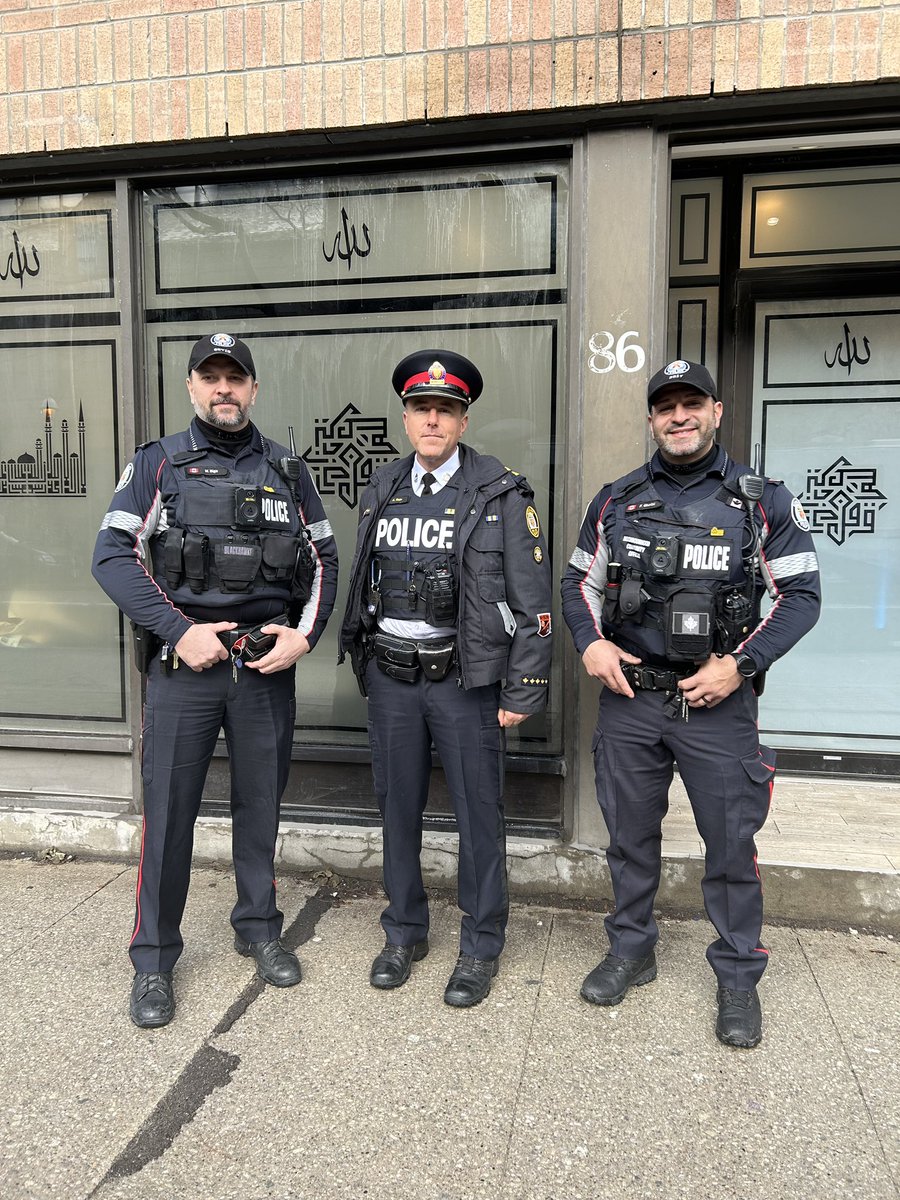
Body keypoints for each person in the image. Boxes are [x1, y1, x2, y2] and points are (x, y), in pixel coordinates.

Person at [561, 358, 821, 1048]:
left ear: (716, 411)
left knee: (731, 847)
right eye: (665, 406)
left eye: (691, 404)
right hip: (632, 702)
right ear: (651, 418)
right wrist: (590, 645)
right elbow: (576, 586)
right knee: (629, 839)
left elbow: (803, 597)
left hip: (719, 705)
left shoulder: (760, 501)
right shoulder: (615, 500)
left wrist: (740, 666)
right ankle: (631, 949)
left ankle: (737, 975)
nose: (678, 417)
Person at [92, 333, 338, 1028]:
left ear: (254, 390)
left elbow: (323, 560)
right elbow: (112, 558)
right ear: (193, 387)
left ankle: (258, 928)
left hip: (263, 670)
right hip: (184, 673)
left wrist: (304, 636)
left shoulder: (288, 471)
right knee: (168, 817)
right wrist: (180, 631)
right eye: (212, 377)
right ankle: (153, 960)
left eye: (236, 378)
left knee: (261, 807)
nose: (224, 389)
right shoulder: (158, 464)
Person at [340, 350, 552, 1007]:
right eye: (422, 409)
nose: (433, 420)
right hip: (394, 680)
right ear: (405, 418)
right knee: (396, 810)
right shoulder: (383, 486)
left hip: (465, 683)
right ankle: (404, 932)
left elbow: (534, 602)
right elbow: (365, 581)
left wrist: (524, 689)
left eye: (446, 410)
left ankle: (481, 945)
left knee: (478, 816)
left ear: (463, 421)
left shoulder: (498, 492)